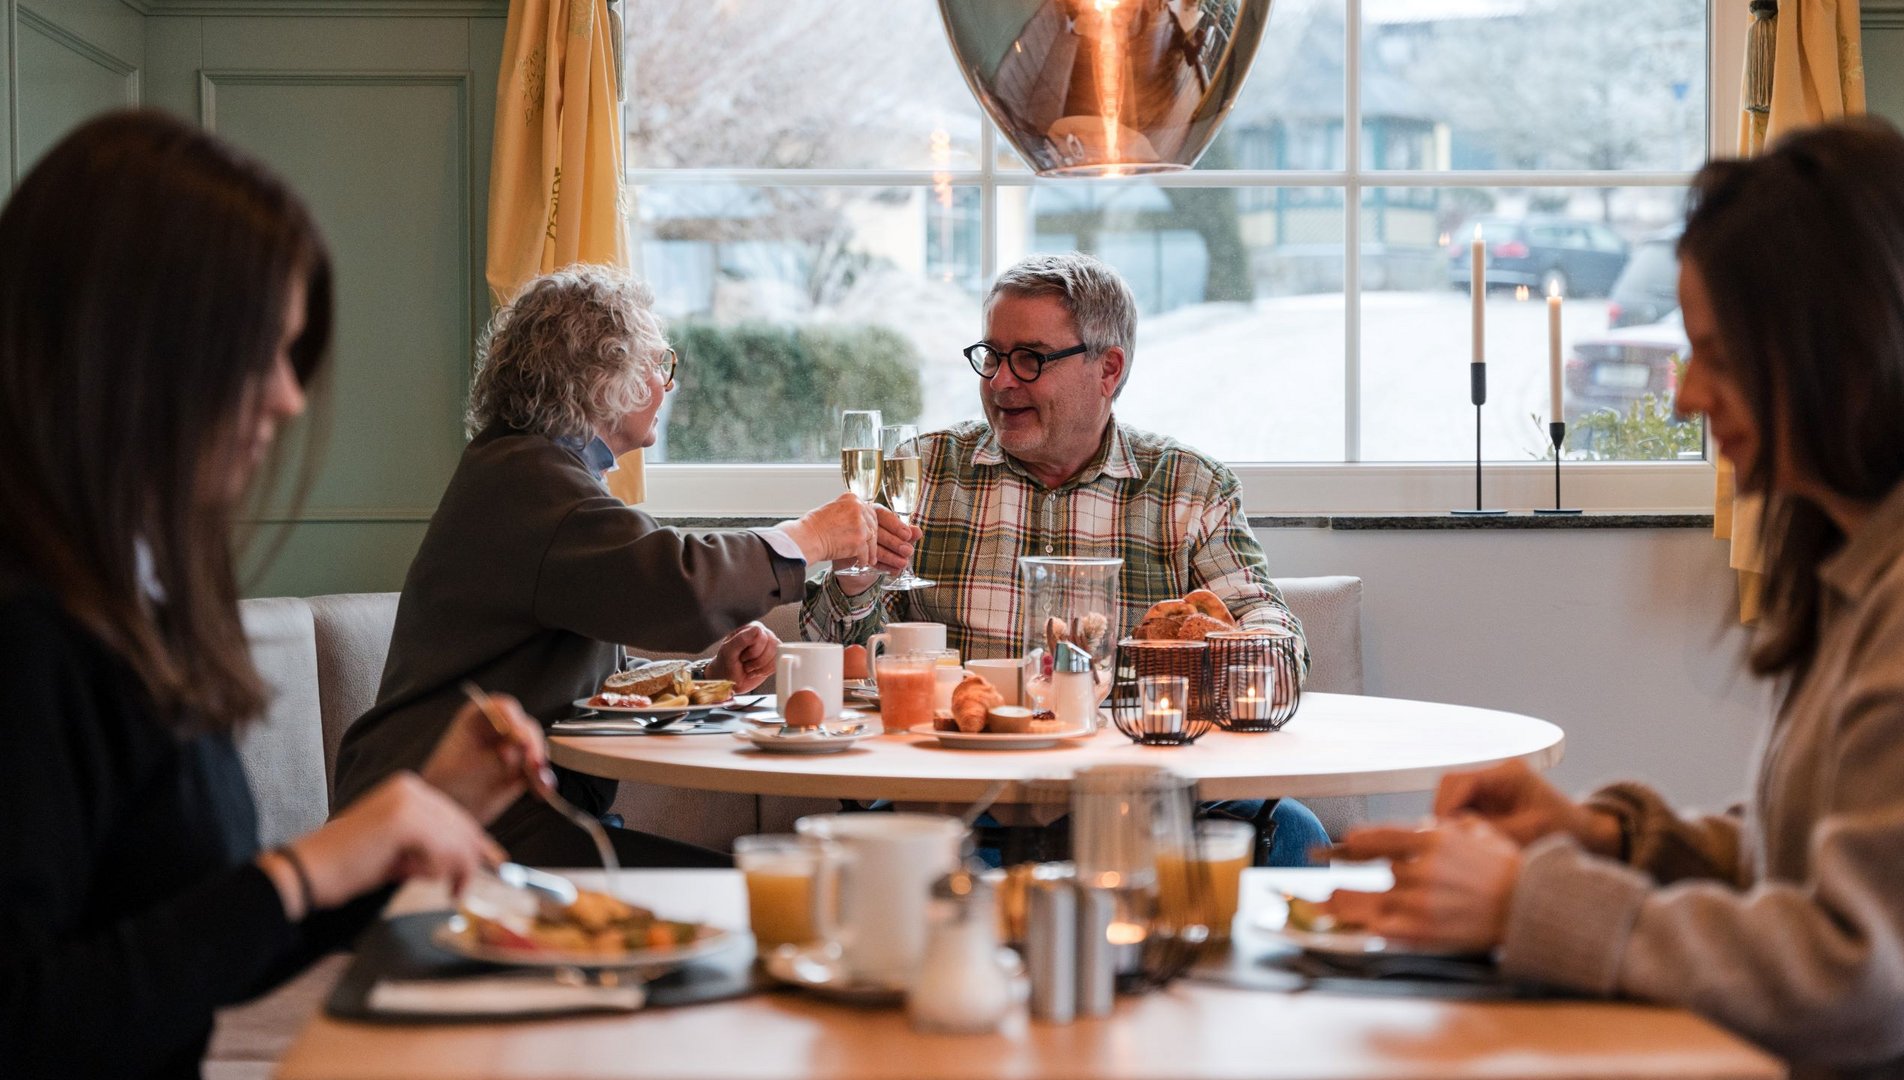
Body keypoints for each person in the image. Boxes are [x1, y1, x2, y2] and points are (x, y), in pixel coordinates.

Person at [1326, 117, 1904, 1078]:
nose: (1685, 398)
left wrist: (1533, 902)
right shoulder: (1857, 565)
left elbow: (1860, 977)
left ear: (1844, 351)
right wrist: (1597, 834)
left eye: (1716, 357)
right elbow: (1809, 864)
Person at [0, 110, 547, 1078]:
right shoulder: (26, 624)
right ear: (132, 345)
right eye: (262, 353)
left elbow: (206, 944)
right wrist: (306, 867)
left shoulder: (139, 592)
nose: (290, 400)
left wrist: (416, 811)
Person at [334, 265, 915, 867]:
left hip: (478, 814)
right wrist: (813, 535)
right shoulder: (532, 483)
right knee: (752, 894)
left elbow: (570, 668)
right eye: (659, 365)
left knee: (755, 889)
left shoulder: (525, 470)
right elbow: (678, 584)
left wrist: (700, 677)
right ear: (601, 379)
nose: (666, 387)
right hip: (448, 829)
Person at [801, 251, 1326, 865]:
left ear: (1107, 369)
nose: (1000, 382)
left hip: (1139, 797)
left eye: (1029, 359)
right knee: (871, 849)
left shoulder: (1187, 487)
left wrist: (1208, 660)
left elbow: (1274, 640)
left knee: (1294, 832)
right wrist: (854, 578)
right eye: (992, 356)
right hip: (959, 800)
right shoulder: (924, 472)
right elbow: (828, 654)